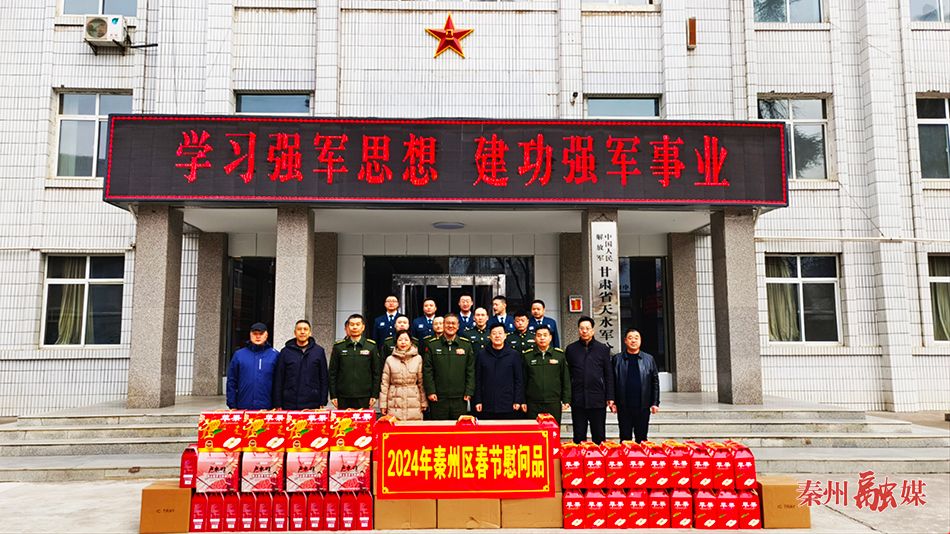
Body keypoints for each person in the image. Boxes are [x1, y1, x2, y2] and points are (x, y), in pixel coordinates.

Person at [565, 316, 615, 444]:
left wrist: (610, 396)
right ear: (578, 330)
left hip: (597, 399)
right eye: (582, 328)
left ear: (593, 330)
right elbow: (567, 375)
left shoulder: (603, 349)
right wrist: (567, 397)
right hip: (578, 399)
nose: (584, 331)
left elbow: (608, 375)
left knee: (599, 436)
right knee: (579, 436)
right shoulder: (571, 349)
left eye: (587, 328)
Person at [422, 313, 475, 420]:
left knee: (459, 428)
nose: (450, 326)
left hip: (460, 397)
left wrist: (469, 391)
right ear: (443, 325)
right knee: (439, 428)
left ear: (458, 326)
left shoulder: (466, 345)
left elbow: (470, 370)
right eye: (448, 323)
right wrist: (431, 391)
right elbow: (427, 371)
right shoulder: (432, 345)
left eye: (453, 323)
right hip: (438, 397)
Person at [611, 329, 660, 443]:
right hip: (623, 406)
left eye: (636, 338)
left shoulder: (649, 359)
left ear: (640, 340)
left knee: (642, 439)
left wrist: (655, 402)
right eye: (630, 338)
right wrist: (612, 401)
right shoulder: (617, 359)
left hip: (643, 406)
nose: (633, 340)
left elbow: (655, 382)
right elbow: (612, 381)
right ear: (625, 341)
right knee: (625, 438)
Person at [328, 314, 382, 409]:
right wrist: (333, 395)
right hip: (343, 396)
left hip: (364, 396)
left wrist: (374, 395)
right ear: (348, 327)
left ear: (363, 327)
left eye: (358, 324)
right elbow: (332, 373)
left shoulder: (371, 346)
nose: (355, 327)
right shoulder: (339, 347)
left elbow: (376, 373)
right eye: (352, 324)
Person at [272, 319, 328, 410]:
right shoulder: (285, 352)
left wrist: (323, 401)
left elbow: (324, 378)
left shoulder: (318, 351)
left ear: (310, 333)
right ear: (295, 333)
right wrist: (277, 403)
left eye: (305, 329)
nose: (302, 332)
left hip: (312, 402)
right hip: (289, 402)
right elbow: (279, 378)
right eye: (299, 329)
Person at [473, 324, 524, 420]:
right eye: (494, 333)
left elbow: (518, 380)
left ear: (505, 336)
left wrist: (517, 400)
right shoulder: (481, 355)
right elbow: (478, 379)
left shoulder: (514, 355)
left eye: (500, 333)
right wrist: (478, 400)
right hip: (487, 404)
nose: (497, 336)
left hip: (508, 404)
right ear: (489, 336)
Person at [521, 325, 571, 424]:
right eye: (539, 335)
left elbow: (565, 378)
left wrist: (566, 399)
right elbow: (523, 380)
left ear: (550, 337)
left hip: (553, 402)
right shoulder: (527, 356)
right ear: (535, 338)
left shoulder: (559, 355)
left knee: (553, 430)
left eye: (545, 335)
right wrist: (523, 400)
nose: (542, 338)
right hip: (533, 403)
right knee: (534, 431)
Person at [226, 322, 280, 410]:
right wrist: (232, 404)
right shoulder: (239, 355)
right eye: (255, 334)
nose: (258, 336)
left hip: (267, 408)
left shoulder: (275, 355)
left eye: (261, 334)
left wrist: (277, 405)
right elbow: (232, 381)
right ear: (250, 335)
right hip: (243, 406)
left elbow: (279, 383)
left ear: (266, 335)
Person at [379, 330, 427, 421]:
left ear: (411, 342)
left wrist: (424, 401)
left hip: (414, 400)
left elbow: (421, 382)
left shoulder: (418, 358)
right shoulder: (389, 359)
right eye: (400, 340)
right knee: (394, 426)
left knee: (413, 427)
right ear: (396, 342)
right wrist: (383, 404)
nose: (403, 342)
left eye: (406, 340)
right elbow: (385, 384)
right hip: (394, 401)